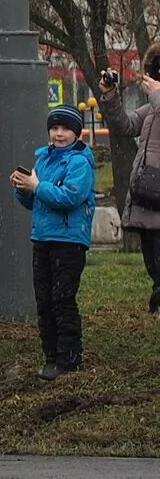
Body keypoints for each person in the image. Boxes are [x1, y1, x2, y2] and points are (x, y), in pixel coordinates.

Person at [16, 106, 98, 379]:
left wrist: (37, 187)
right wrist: (23, 189)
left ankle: (69, 358)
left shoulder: (79, 162)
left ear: (77, 132)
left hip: (69, 241)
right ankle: (51, 356)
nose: (59, 134)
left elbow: (70, 197)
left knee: (62, 299)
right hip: (42, 237)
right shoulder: (43, 160)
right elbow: (35, 200)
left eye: (65, 128)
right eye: (54, 128)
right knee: (45, 301)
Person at [98, 66, 160, 313]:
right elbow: (125, 126)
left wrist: (157, 94)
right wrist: (110, 95)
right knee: (153, 261)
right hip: (149, 194)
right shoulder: (152, 109)